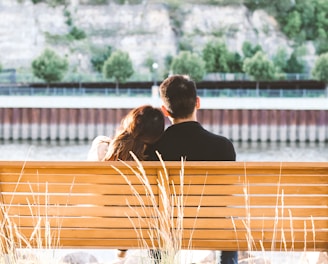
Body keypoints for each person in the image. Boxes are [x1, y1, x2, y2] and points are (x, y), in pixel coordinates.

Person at [145, 75, 237, 264]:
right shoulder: (223, 146)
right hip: (214, 226)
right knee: (230, 223)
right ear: (197, 103)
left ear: (165, 110)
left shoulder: (153, 149)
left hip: (168, 228)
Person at [87, 105, 165, 259]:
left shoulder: (102, 147)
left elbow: (94, 192)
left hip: (99, 223)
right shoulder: (157, 159)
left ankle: (121, 254)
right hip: (142, 227)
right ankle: (121, 254)